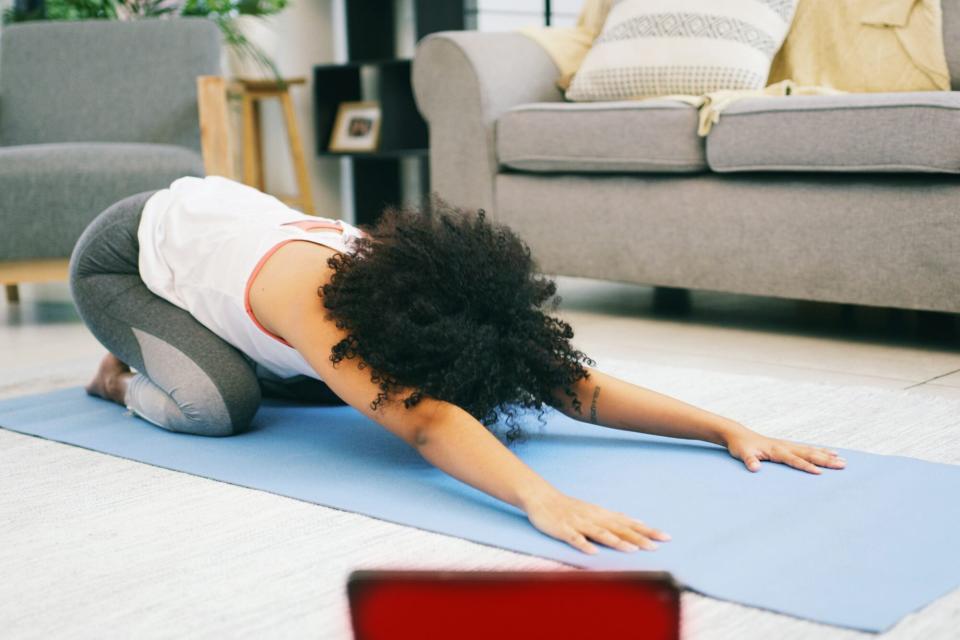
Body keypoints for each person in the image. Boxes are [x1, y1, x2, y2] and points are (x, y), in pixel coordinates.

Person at [70, 176, 846, 555]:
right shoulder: (320, 305)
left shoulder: (417, 294)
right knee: (224, 407)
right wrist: (542, 499)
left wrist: (724, 428)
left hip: (223, 262)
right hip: (122, 263)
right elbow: (430, 423)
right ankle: (121, 374)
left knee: (335, 395)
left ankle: (206, 341)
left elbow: (573, 386)